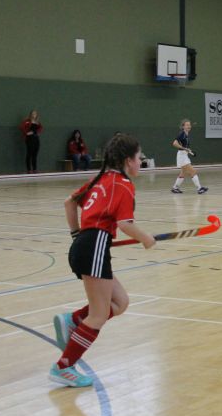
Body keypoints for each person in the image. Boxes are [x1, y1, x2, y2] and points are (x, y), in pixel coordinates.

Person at [49, 134, 156, 387]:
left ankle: (74, 320)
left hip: (88, 247)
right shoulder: (123, 184)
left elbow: (69, 203)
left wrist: (77, 235)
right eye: (139, 157)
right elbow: (125, 224)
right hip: (93, 248)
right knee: (98, 315)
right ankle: (63, 367)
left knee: (120, 302)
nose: (140, 162)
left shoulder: (100, 179)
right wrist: (146, 238)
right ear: (128, 160)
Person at [170, 119, 208, 194]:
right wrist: (184, 148)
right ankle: (199, 188)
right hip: (182, 156)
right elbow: (174, 143)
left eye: (189, 125)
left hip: (184, 155)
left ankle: (175, 188)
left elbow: (185, 146)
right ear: (183, 126)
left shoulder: (186, 134)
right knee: (192, 171)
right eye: (187, 125)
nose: (189, 126)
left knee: (183, 173)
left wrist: (188, 150)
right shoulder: (182, 134)